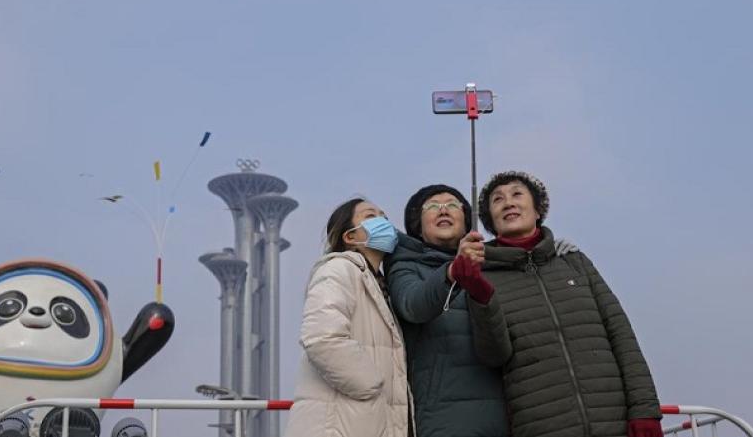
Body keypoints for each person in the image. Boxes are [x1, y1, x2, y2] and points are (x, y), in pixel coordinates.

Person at [459, 171, 662, 437]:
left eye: (517, 194)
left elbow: (621, 335)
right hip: (541, 426)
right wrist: (480, 294)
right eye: (497, 200)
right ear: (489, 220)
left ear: (537, 209)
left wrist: (645, 407)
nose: (508, 203)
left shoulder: (574, 261)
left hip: (613, 420)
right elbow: (494, 355)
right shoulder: (483, 275)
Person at [387, 185, 578, 437]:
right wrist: (452, 273)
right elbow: (413, 305)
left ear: (467, 221)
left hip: (513, 416)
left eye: (453, 205)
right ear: (417, 225)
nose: (443, 209)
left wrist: (549, 254)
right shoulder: (406, 267)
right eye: (432, 206)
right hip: (445, 419)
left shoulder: (493, 265)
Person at [284, 198, 412, 437]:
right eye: (370, 216)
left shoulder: (379, 285)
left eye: (384, 216)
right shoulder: (338, 269)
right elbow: (321, 338)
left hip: (362, 423)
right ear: (350, 236)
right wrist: (372, 385)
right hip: (339, 425)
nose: (382, 222)